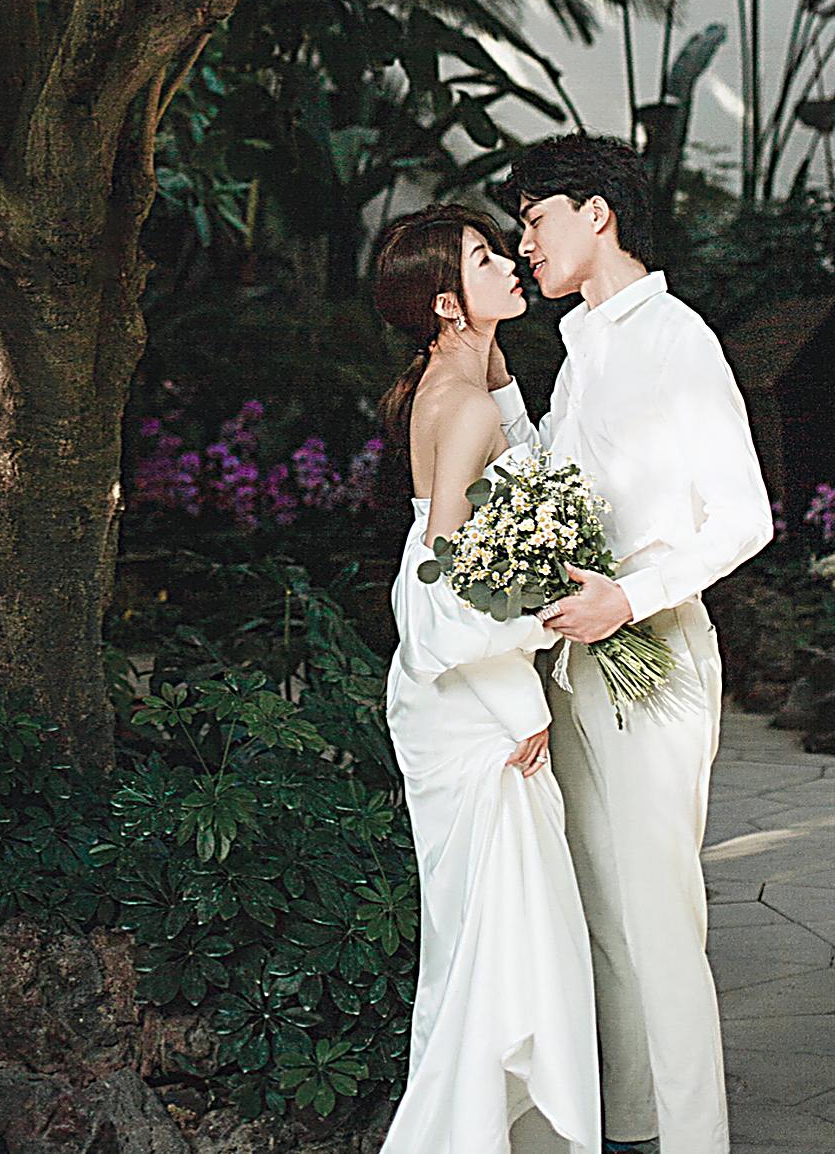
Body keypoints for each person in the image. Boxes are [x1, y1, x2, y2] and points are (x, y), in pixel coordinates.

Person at [491, 133, 773, 1154]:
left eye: (535, 219)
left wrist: (632, 596)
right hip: (579, 664)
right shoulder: (583, 345)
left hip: (653, 659)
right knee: (604, 914)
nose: (524, 244)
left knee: (660, 921)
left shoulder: (673, 339)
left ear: (595, 213)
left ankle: (697, 1140)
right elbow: (559, 493)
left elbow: (744, 518)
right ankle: (631, 1127)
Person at [374, 205, 601, 1154]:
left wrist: (496, 363)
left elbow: (513, 477)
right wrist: (520, 701)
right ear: (444, 302)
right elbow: (435, 586)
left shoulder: (464, 387)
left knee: (488, 937)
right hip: (471, 703)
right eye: (481, 258)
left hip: (463, 687)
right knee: (495, 940)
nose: (508, 262)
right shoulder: (458, 404)